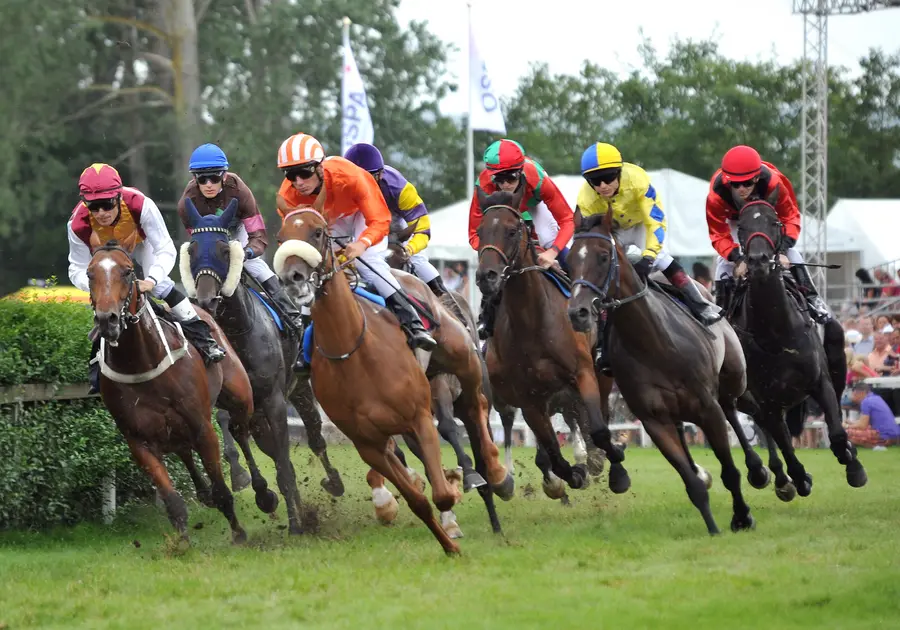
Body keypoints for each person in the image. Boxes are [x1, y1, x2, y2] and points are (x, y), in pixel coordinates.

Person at [275, 133, 436, 373]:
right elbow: (297, 232)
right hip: (327, 218)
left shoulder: (349, 176)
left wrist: (361, 244)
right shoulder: (288, 193)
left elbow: (380, 220)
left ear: (320, 166)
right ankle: (303, 345)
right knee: (314, 266)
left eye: (304, 173)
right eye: (290, 175)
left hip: (362, 212)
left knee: (365, 261)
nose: (298, 182)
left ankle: (412, 322)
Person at [67, 163, 225, 394]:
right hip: (105, 257)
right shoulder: (77, 223)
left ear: (118, 196)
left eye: (107, 204)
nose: (101, 213)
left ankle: (204, 339)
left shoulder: (140, 204)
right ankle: (97, 367)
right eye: (93, 206)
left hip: (140, 244)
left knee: (161, 287)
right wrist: (97, 286)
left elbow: (165, 249)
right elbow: (76, 267)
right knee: (106, 304)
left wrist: (151, 280)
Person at [576, 142, 721, 370]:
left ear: (619, 172)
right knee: (605, 271)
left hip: (641, 225)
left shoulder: (637, 179)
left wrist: (649, 256)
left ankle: (700, 305)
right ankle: (603, 340)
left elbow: (655, 221)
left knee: (662, 258)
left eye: (608, 178)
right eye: (595, 181)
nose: (602, 186)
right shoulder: (586, 198)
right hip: (613, 231)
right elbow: (594, 238)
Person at [177, 143, 302, 330]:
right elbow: (198, 242)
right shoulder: (186, 204)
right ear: (195, 179)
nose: (208, 184)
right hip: (210, 236)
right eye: (202, 179)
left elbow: (258, 236)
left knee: (254, 266)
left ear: (224, 175)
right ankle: (189, 319)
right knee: (201, 264)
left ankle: (290, 314)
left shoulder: (240, 191)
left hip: (237, 230)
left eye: (214, 177)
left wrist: (246, 253)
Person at [706, 145, 830, 322]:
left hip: (766, 214)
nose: (741, 189)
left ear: (756, 178)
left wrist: (782, 250)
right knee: (723, 263)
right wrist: (737, 259)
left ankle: (813, 299)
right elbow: (718, 233)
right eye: (735, 184)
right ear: (727, 181)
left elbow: (790, 217)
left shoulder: (774, 183)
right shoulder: (716, 195)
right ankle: (722, 311)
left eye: (747, 183)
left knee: (793, 254)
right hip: (736, 219)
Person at [467, 139, 575, 340]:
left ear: (521, 171)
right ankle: (486, 317)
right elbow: (474, 234)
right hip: (503, 212)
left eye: (511, 177)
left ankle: (585, 296)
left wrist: (552, 253)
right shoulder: (484, 185)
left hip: (533, 206)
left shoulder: (537, 179)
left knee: (548, 239)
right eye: (499, 179)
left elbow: (568, 220)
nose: (505, 184)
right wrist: (495, 253)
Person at [342, 142, 448, 297]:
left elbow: (423, 229)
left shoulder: (399, 188)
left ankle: (444, 298)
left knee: (417, 259)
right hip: (364, 218)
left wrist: (410, 249)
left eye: (369, 178)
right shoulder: (341, 184)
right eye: (356, 179)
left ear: (380, 174)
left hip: (395, 220)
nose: (363, 185)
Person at [844, 382, 900, 449]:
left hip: (883, 436)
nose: (853, 397)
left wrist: (846, 426)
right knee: (853, 430)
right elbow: (864, 422)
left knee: (845, 432)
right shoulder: (876, 398)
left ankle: (874, 446)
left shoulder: (866, 402)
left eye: (854, 394)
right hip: (894, 436)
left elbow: (862, 425)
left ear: (861, 393)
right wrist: (851, 423)